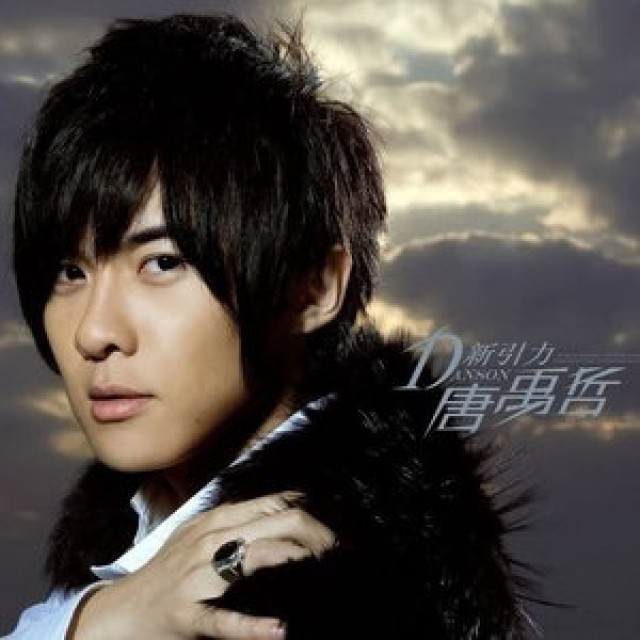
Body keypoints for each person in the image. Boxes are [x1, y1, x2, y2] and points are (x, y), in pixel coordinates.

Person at [4, 12, 540, 640]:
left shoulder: (341, 587)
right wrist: (105, 617)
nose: (93, 333)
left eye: (163, 262)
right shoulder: (136, 532)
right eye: (70, 271)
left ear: (314, 288)